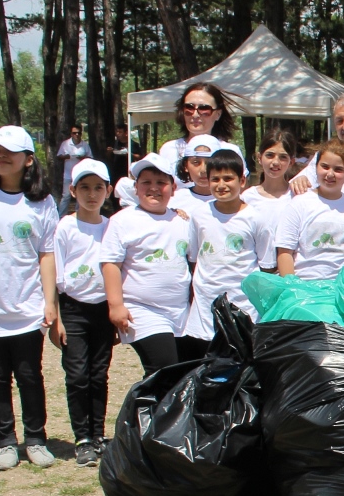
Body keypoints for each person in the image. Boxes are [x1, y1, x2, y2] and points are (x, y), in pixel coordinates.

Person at [0, 126, 59, 470]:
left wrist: (50, 303)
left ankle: (35, 439)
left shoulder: (42, 202)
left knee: (30, 375)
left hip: (27, 306)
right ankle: (5, 442)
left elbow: (47, 254)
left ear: (28, 159)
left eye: (10, 152)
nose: (1, 157)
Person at [101, 153, 199, 375]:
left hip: (180, 312)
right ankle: (142, 409)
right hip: (142, 310)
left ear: (173, 188)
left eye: (161, 183)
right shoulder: (123, 221)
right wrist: (116, 305)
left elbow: (192, 261)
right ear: (135, 188)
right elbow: (110, 264)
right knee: (163, 366)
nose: (154, 188)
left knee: (182, 372)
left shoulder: (183, 220)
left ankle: (162, 410)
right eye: (146, 182)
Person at [53, 159, 115, 466]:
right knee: (77, 374)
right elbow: (56, 274)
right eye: (85, 188)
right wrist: (57, 318)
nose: (92, 195)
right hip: (73, 309)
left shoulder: (112, 226)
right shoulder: (65, 226)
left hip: (103, 309)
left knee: (98, 374)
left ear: (109, 191)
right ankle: (83, 438)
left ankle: (99, 434)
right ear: (73, 190)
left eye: (98, 188)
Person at [183, 147, 271, 342]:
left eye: (228, 179)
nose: (221, 185)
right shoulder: (199, 215)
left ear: (242, 181)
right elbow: (195, 258)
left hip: (243, 303)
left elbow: (266, 266)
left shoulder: (256, 218)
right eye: (215, 179)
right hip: (206, 303)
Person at [274, 140, 344, 280]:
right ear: (315, 168)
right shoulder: (299, 204)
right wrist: (293, 288)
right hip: (306, 288)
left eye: (338, 169)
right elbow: (284, 252)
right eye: (325, 167)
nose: (330, 174)